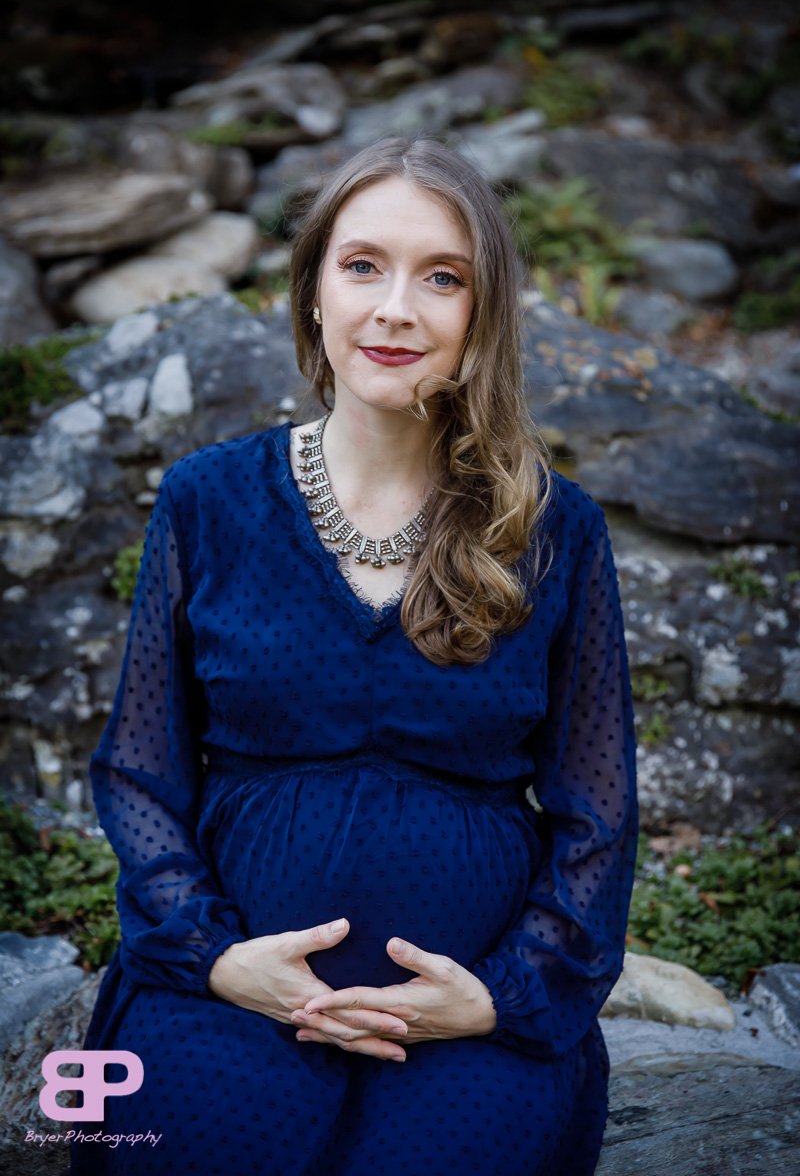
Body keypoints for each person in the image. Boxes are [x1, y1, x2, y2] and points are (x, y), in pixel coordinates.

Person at [71, 135, 639, 1176]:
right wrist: (216, 957)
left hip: (468, 1020)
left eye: (442, 278)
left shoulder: (556, 531)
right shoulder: (207, 500)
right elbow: (140, 770)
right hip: (230, 999)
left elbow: (596, 812)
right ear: (313, 292)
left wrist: (503, 995)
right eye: (363, 265)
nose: (395, 310)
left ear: (481, 314)